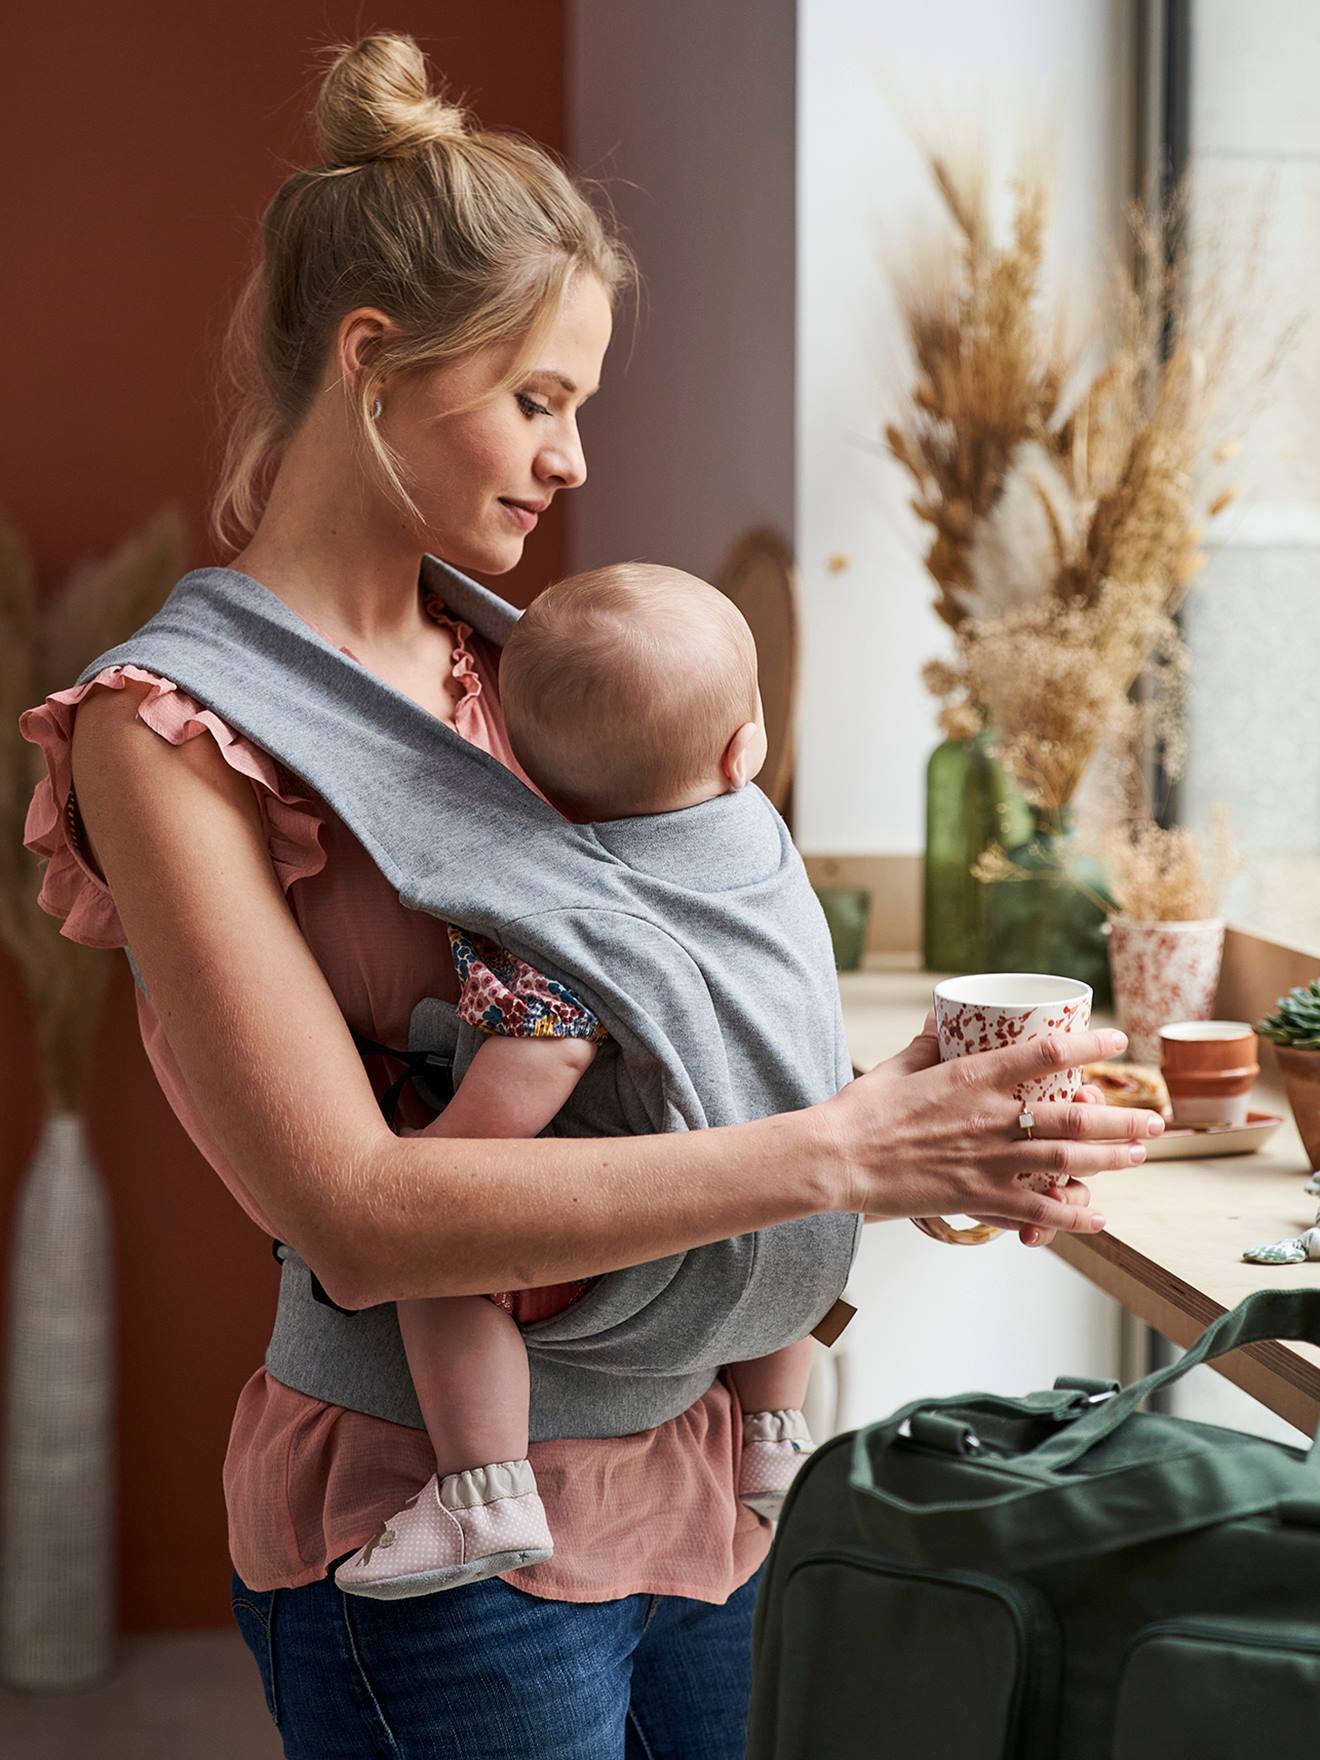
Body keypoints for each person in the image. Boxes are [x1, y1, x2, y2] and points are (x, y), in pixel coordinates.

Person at [20, 33, 1163, 1760]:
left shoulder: (527, 667)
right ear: (373, 361)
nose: (569, 461)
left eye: (583, 409)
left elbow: (658, 1045)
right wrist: (850, 1150)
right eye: (538, 398)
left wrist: (937, 1139)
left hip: (698, 1468)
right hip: (440, 1521)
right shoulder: (167, 733)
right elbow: (356, 1216)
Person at [334, 564, 825, 1603]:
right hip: (810, 1239)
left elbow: (532, 1071)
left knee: (439, 1260)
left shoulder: (565, 913)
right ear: (746, 750)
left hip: (670, 1245)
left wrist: (424, 1173)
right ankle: (777, 1441)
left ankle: (483, 1488)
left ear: (534, 781)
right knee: (776, 1215)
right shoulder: (767, 852)